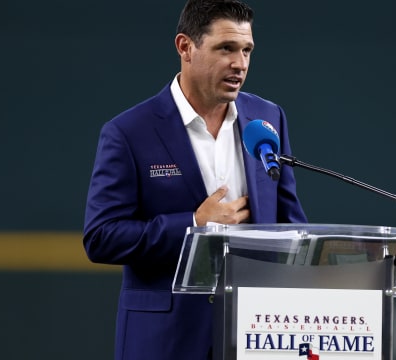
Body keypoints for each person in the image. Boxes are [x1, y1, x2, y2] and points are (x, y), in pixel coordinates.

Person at [83, 0, 307, 359]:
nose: (240, 63)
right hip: (165, 340)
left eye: (247, 50)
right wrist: (194, 224)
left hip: (254, 337)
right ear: (185, 47)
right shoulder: (129, 132)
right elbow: (101, 238)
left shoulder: (267, 119)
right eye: (226, 48)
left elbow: (291, 225)